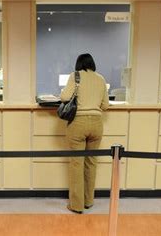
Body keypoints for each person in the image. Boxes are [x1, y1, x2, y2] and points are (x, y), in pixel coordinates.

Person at [60, 53, 109, 214]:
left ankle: (76, 205)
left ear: (78, 64)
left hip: (78, 123)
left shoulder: (75, 76)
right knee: (91, 162)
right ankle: (88, 201)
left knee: (76, 164)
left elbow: (65, 96)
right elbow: (105, 106)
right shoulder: (101, 79)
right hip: (96, 124)